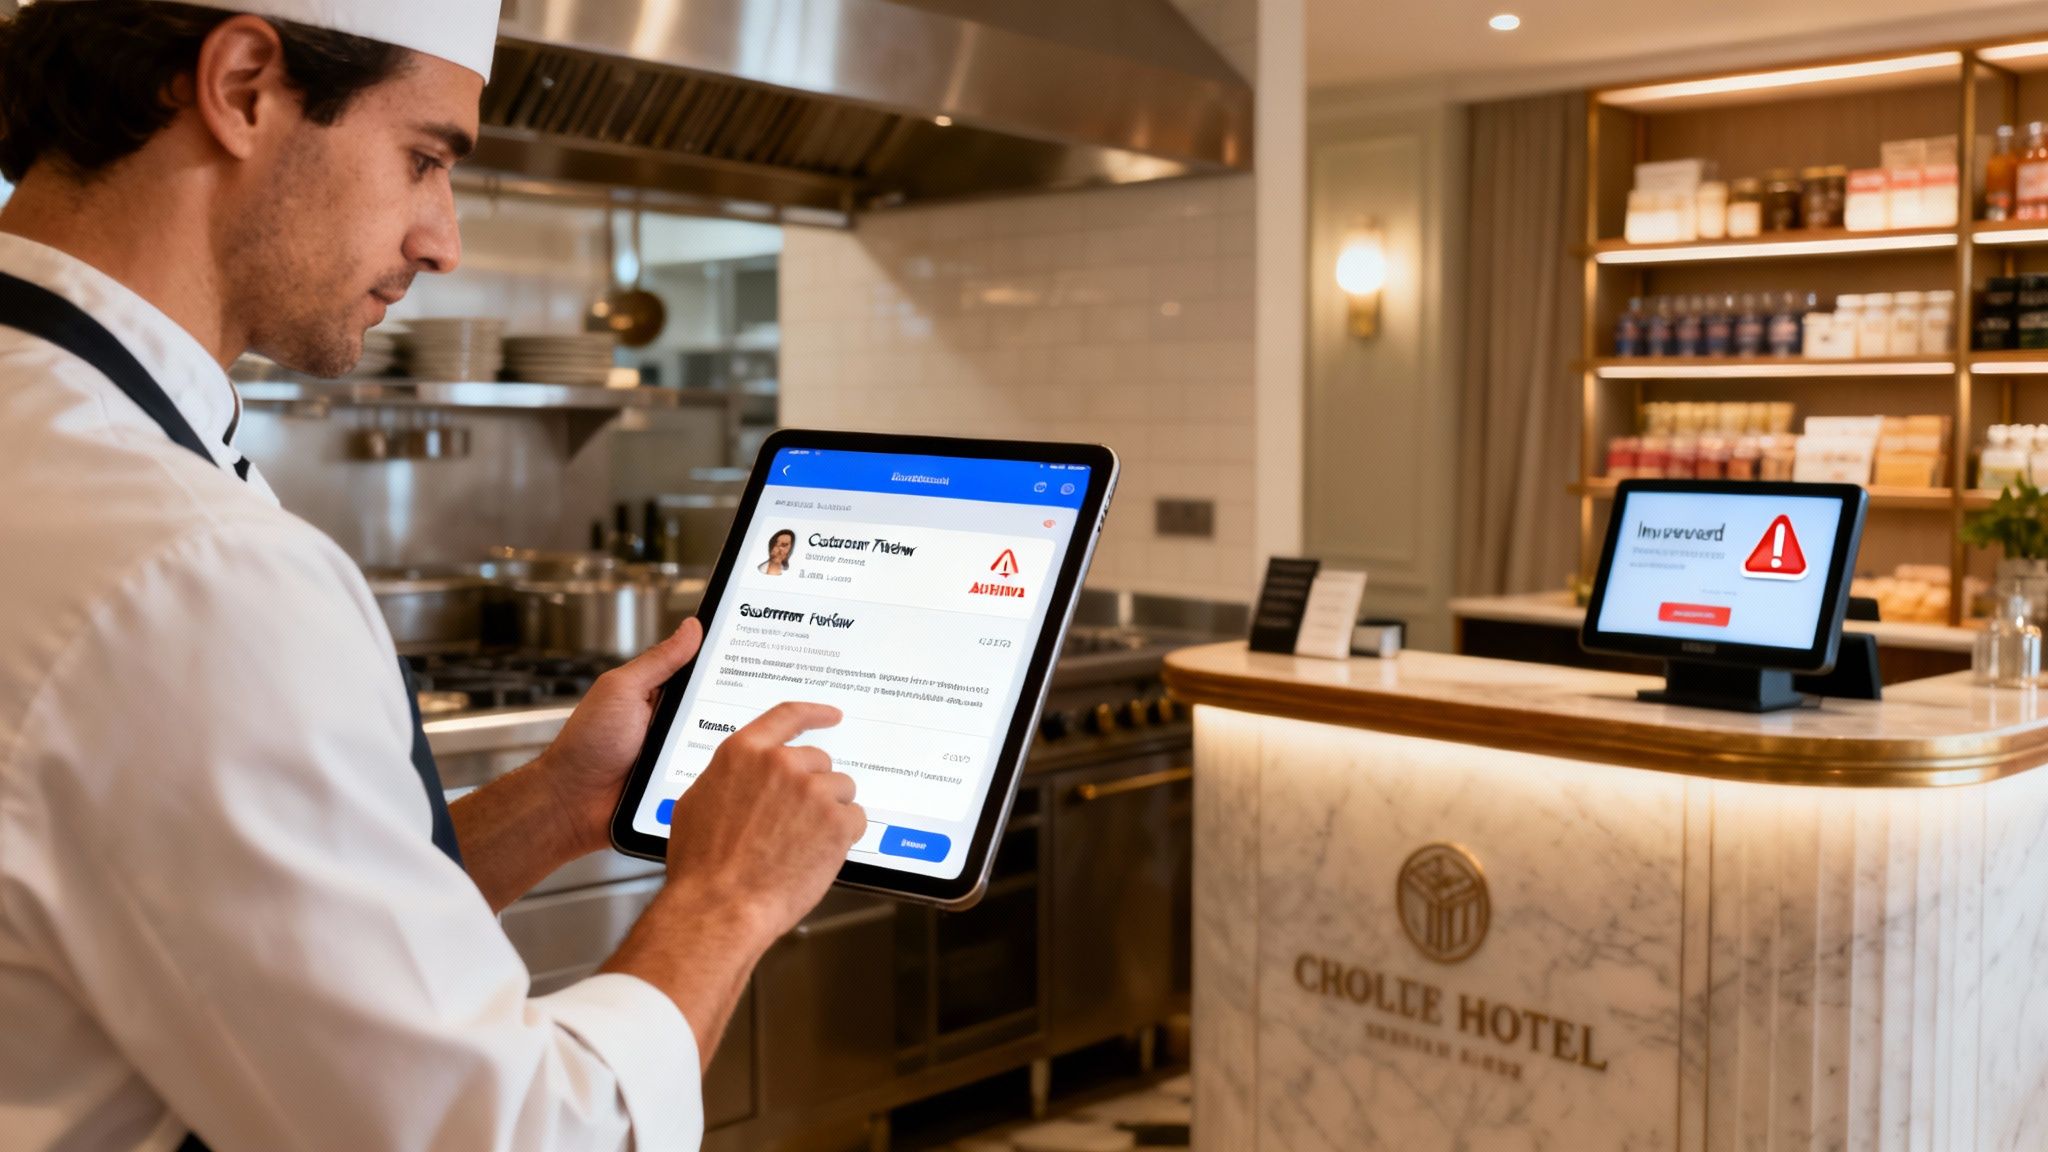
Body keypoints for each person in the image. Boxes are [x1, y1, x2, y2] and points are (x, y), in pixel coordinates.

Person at [0, 3, 863, 1150]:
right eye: (423, 158)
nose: (442, 241)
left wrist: (555, 803)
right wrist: (728, 897)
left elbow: (247, 941)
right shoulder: (188, 569)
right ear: (245, 84)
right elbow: (504, 1138)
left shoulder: (64, 440)